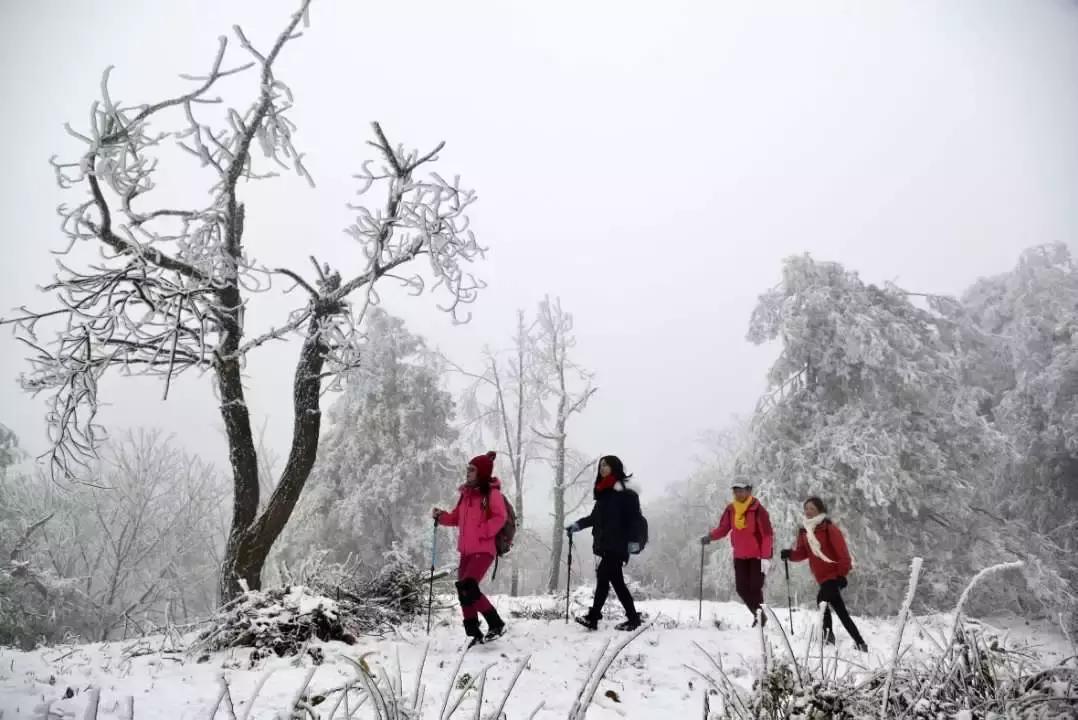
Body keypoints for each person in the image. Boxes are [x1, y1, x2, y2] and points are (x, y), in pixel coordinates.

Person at [432, 451, 508, 646]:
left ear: (481, 472)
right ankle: (474, 633)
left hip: (484, 550)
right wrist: (441, 517)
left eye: (472, 470)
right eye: (468, 469)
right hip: (466, 551)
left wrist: (483, 531)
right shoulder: (465, 496)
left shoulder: (491, 494)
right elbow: (456, 518)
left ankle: (496, 623)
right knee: (462, 589)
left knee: (469, 586)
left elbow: (501, 517)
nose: (468, 472)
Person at [565, 455, 643, 632]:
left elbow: (634, 519)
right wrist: (577, 525)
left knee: (604, 577)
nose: (602, 468)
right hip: (607, 544)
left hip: (619, 544)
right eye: (601, 465)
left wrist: (633, 542)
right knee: (613, 581)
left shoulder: (624, 491)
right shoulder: (604, 493)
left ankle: (594, 617)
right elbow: (594, 518)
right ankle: (629, 617)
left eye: (606, 465)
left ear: (614, 467)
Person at [780, 496, 867, 652]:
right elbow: (803, 553)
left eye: (812, 509)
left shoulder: (829, 528)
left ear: (820, 510)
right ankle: (859, 643)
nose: (808, 512)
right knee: (840, 611)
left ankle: (829, 639)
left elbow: (843, 553)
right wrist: (790, 554)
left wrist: (841, 575)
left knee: (822, 600)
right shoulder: (805, 531)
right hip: (822, 578)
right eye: (806, 509)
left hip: (834, 575)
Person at [700, 479, 774, 625]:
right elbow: (724, 528)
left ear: (749, 491)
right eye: (736, 490)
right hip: (740, 555)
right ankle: (758, 614)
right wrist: (710, 536)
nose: (738, 493)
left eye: (741, 490)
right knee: (741, 588)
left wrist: (765, 557)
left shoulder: (758, 510)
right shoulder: (731, 509)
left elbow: (767, 534)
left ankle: (759, 618)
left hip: (758, 556)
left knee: (755, 587)